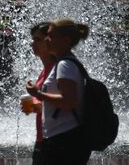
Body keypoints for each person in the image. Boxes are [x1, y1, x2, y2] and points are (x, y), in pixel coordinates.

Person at [26, 19, 91, 165]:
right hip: (62, 139)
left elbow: (69, 101)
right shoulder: (65, 63)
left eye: (50, 36)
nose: (47, 40)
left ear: (66, 40)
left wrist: (38, 94)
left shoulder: (64, 65)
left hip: (64, 141)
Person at [21, 22, 55, 165]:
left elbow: (70, 101)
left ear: (50, 41)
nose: (32, 43)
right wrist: (34, 104)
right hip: (44, 139)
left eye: (38, 40)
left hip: (55, 142)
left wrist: (37, 97)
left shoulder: (58, 68)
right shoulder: (46, 69)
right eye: (33, 39)